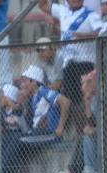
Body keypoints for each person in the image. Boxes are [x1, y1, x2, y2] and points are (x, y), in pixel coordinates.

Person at [38, 0, 100, 132]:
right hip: (68, 65)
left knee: (86, 100)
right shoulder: (62, 10)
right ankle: (81, 134)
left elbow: (99, 34)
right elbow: (42, 5)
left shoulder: (91, 15)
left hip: (85, 63)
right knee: (72, 101)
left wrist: (79, 36)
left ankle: (89, 130)